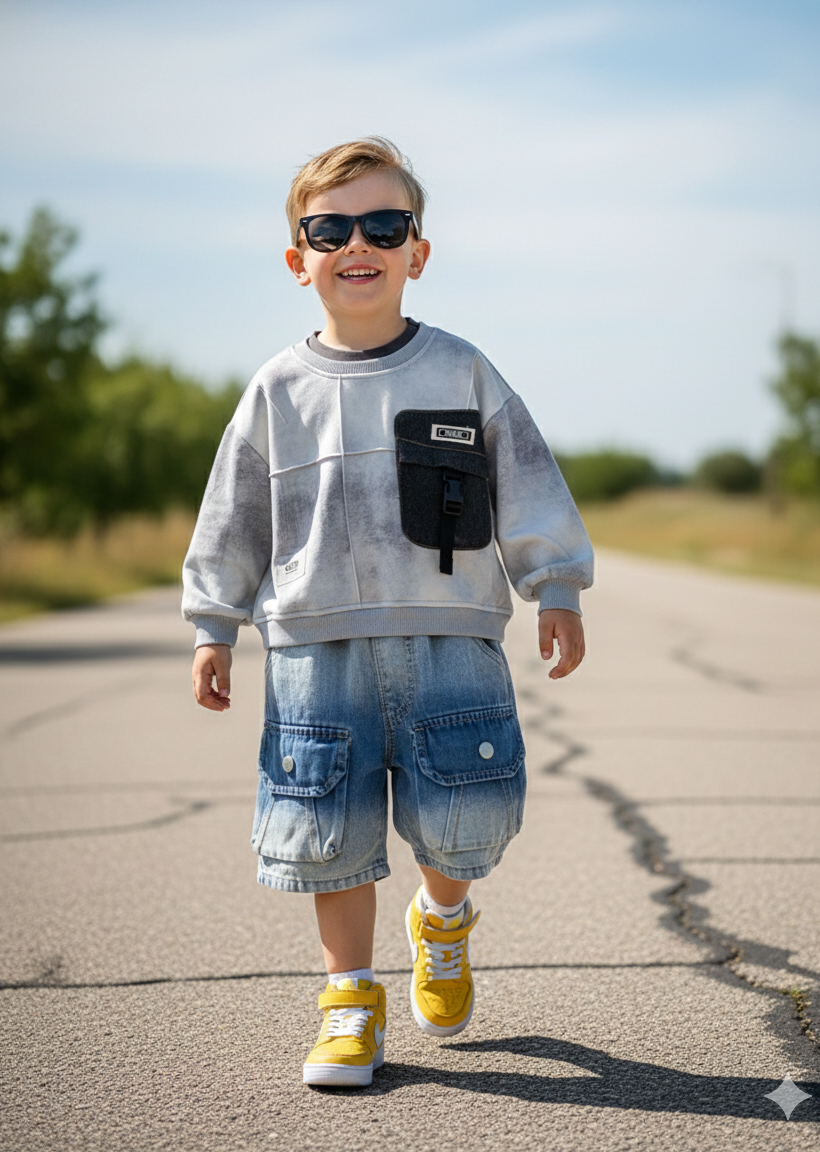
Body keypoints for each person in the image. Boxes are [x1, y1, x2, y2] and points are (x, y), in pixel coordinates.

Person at [182, 136, 593, 1088]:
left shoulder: (462, 371)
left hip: (453, 640)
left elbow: (528, 481)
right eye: (330, 229)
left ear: (418, 251)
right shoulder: (276, 391)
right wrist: (213, 625)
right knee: (328, 828)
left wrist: (557, 586)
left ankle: (441, 919)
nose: (357, 244)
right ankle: (349, 1002)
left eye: (383, 224)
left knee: (466, 813)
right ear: (300, 259)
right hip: (314, 650)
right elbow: (233, 514)